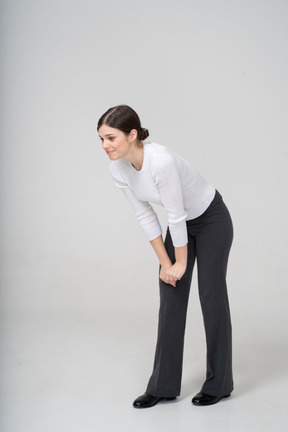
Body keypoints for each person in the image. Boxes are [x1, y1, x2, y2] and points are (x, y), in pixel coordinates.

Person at [97, 105, 234, 408]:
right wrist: (165, 263)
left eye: (111, 138)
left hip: (211, 219)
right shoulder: (117, 168)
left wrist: (180, 263)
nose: (105, 146)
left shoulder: (161, 161)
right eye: (101, 140)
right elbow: (145, 215)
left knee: (210, 294)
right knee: (170, 296)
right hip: (182, 225)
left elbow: (176, 214)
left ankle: (220, 383)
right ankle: (162, 386)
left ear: (132, 134)